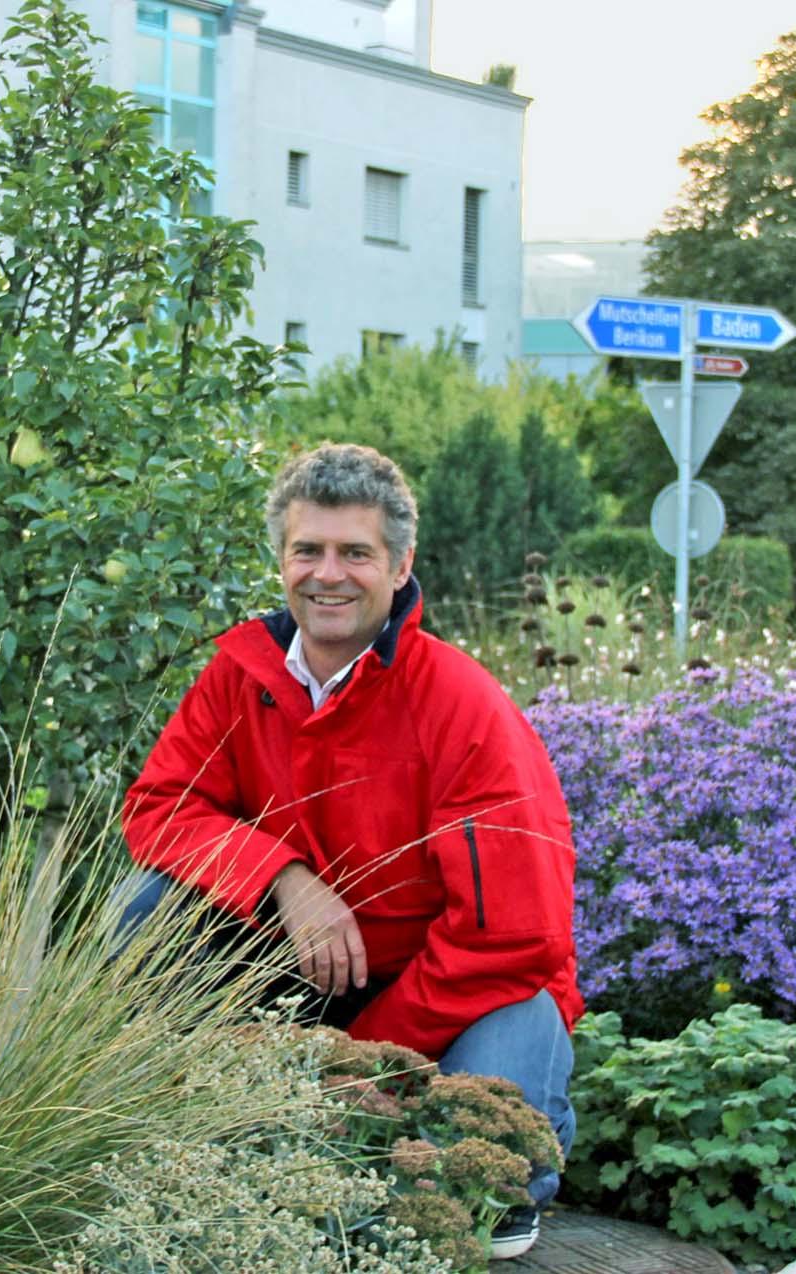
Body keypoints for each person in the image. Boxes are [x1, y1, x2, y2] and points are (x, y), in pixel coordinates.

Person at [120, 442, 581, 1261]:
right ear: (281, 560)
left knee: (474, 1185)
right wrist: (283, 878)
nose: (327, 574)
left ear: (400, 566)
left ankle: (503, 1161)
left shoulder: (463, 706)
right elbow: (162, 808)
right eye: (309, 550)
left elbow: (515, 938)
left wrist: (361, 1062)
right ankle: (160, 1126)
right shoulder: (239, 675)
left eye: (355, 553)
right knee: (147, 907)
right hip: (300, 973)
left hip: (449, 996)